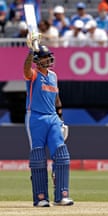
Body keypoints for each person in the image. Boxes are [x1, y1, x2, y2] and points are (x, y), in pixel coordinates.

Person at [24, 33, 73, 207]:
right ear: (38, 60)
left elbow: (57, 99)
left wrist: (61, 119)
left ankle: (61, 195)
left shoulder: (53, 76)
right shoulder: (33, 75)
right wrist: (31, 52)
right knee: (38, 157)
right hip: (35, 116)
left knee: (61, 155)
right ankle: (40, 198)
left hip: (52, 118)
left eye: (49, 56)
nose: (49, 59)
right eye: (45, 57)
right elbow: (25, 70)